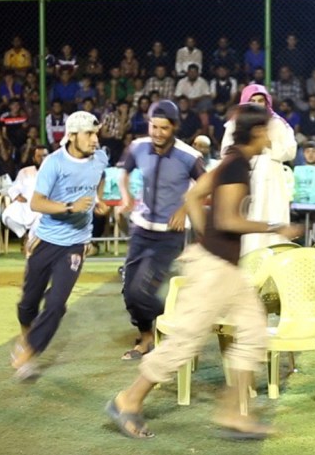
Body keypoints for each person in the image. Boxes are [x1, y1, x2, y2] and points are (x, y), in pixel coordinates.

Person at [106, 104, 302, 440]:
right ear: (257, 133)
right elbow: (227, 220)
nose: (274, 135)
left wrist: (201, 236)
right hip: (214, 270)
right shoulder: (237, 165)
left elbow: (193, 194)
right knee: (183, 343)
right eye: (270, 129)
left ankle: (233, 413)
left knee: (254, 332)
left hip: (222, 266)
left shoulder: (233, 161)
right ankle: (128, 399)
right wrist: (275, 227)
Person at [10, 111, 110, 380]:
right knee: (28, 303)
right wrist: (70, 207)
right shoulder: (53, 163)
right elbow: (37, 203)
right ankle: (25, 336)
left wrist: (96, 200)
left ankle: (29, 353)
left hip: (75, 243)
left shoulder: (100, 157)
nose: (94, 139)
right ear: (72, 135)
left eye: (96, 133)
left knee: (56, 303)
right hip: (46, 240)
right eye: (89, 134)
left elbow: (98, 179)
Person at [118, 100, 206, 360]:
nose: (157, 133)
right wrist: (126, 197)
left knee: (140, 291)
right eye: (153, 126)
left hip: (169, 235)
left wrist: (184, 209)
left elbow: (205, 186)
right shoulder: (138, 147)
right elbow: (123, 172)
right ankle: (147, 338)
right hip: (141, 229)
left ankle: (177, 324)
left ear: (175, 127)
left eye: (163, 128)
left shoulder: (189, 156)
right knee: (129, 292)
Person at [219, 84, 297, 254]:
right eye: (252, 100)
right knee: (247, 216)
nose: (256, 104)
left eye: (260, 100)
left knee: (271, 215)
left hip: (272, 180)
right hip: (244, 177)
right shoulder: (235, 123)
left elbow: (290, 152)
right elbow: (225, 151)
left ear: (267, 102)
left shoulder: (277, 123)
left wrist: (269, 144)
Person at [2, 145, 48, 252]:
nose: (42, 158)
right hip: (25, 204)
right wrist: (17, 196)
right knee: (7, 215)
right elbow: (14, 188)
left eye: (45, 156)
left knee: (41, 218)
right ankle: (23, 236)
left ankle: (31, 244)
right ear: (33, 158)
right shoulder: (25, 171)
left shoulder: (55, 172)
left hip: (43, 206)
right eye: (39, 156)